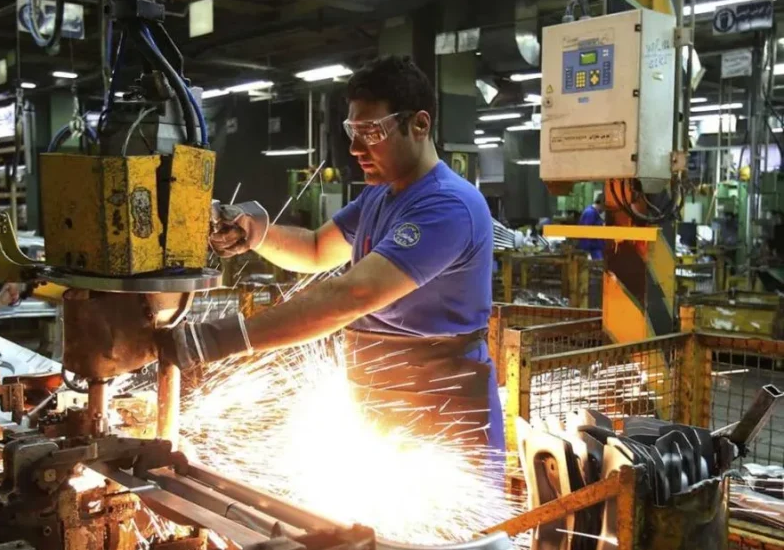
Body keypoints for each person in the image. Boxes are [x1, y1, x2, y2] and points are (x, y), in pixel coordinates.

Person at [158, 56, 503, 452]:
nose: (355, 148)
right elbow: (317, 248)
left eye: (371, 131)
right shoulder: (379, 193)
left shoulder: (448, 205)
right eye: (352, 130)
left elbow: (351, 295)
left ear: (419, 125)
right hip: (379, 402)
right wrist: (258, 233)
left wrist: (214, 340)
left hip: (442, 416)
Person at [577, 193, 606, 260]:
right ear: (602, 203)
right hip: (592, 249)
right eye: (605, 207)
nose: (604, 210)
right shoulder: (590, 213)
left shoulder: (594, 213)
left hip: (595, 248)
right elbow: (586, 233)